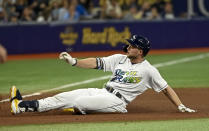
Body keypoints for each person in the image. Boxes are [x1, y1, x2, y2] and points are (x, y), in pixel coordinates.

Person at [10, 35, 196, 115]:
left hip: (118, 102)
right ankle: (22, 106)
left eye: (132, 45)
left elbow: (165, 88)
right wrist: (74, 61)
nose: (128, 47)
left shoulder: (149, 70)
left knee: (79, 102)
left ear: (140, 51)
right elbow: (96, 62)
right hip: (102, 92)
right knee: (66, 96)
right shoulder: (119, 59)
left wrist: (180, 106)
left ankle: (80, 109)